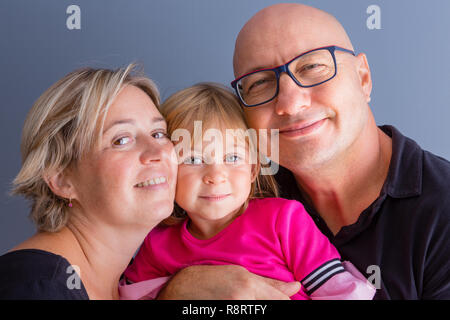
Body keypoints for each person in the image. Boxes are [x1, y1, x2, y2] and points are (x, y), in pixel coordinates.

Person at [157, 4, 450, 300]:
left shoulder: (443, 211)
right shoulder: (227, 191)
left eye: (311, 67)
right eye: (259, 82)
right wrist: (175, 291)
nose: (289, 103)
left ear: (363, 78)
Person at [120, 82, 375, 300]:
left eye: (232, 158)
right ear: (168, 170)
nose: (215, 176)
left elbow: (340, 291)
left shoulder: (283, 221)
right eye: (194, 160)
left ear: (253, 169)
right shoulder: (157, 242)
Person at [0, 64, 178, 299]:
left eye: (158, 133)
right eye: (121, 140)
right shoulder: (35, 288)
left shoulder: (133, 282)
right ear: (62, 179)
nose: (157, 151)